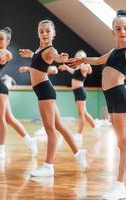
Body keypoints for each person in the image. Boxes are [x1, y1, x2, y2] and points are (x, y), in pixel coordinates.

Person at [68, 10, 126, 199]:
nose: (122, 31)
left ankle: (119, 186)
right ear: (113, 31)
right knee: (125, 140)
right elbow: (98, 60)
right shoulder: (113, 52)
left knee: (122, 144)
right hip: (110, 98)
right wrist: (82, 60)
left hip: (120, 96)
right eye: (118, 28)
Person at [18, 19, 88, 177]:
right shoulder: (39, 50)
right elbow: (38, 62)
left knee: (51, 130)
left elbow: (55, 57)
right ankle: (79, 153)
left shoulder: (50, 50)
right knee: (60, 126)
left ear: (53, 34)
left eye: (47, 31)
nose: (44, 34)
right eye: (41, 31)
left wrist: (61, 58)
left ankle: (48, 166)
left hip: (45, 91)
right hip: (44, 91)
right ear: (38, 32)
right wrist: (32, 55)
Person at [0, 27, 37, 160]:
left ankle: (1, 150)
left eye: (1, 38)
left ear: (7, 41)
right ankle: (30, 141)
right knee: (9, 119)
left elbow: (9, 56)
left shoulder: (4, 54)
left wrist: (3, 51)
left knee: (0, 120)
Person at [58, 50, 100, 144]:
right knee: (84, 113)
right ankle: (95, 126)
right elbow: (74, 72)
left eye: (81, 56)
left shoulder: (84, 66)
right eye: (78, 56)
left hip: (80, 91)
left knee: (81, 114)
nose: (78, 57)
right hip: (77, 92)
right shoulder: (77, 69)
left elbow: (89, 70)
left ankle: (79, 134)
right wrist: (66, 67)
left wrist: (86, 62)